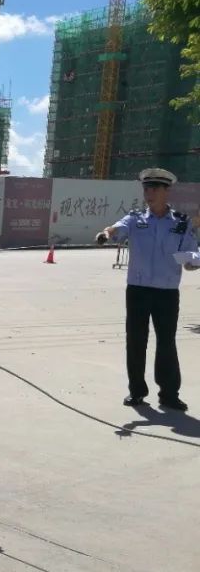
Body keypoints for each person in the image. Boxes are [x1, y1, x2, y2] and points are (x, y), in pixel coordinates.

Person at [95, 168, 198, 410]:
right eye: (146, 188)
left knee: (166, 342)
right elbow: (115, 229)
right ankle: (137, 391)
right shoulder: (135, 219)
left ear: (166, 191)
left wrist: (193, 262)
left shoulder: (181, 223)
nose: (148, 193)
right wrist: (105, 233)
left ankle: (169, 394)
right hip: (138, 291)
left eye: (154, 189)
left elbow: (191, 254)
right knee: (136, 341)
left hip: (166, 293)